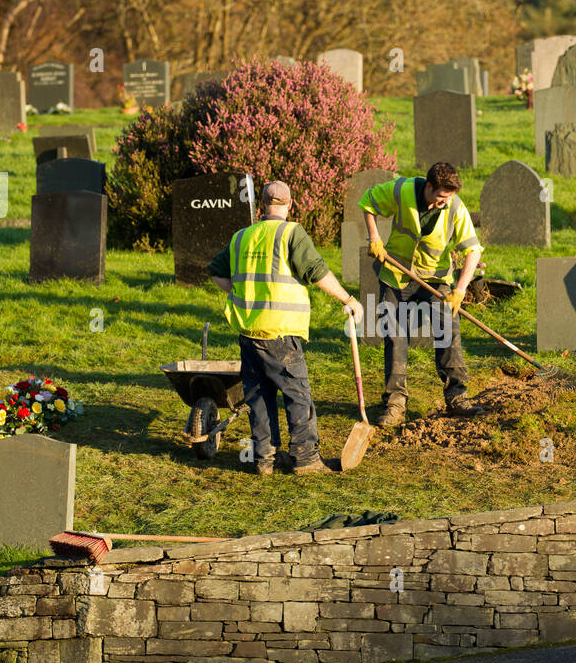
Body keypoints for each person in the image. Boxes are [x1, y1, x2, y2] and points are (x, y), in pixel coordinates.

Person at [208, 181, 363, 475]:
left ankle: (263, 460)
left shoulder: (242, 236)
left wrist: (236, 292)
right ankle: (305, 459)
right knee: (297, 394)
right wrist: (348, 299)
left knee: (259, 396)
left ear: (260, 207)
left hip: (249, 333)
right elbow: (317, 271)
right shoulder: (291, 232)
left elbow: (215, 271)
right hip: (280, 333)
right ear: (290, 205)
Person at [360, 162, 485, 426]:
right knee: (395, 337)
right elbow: (368, 202)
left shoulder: (454, 207)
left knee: (447, 331)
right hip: (396, 276)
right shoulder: (401, 190)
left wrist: (460, 290)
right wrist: (374, 237)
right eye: (441, 196)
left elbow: (473, 250)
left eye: (448, 197)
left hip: (436, 280)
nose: (444, 202)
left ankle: (456, 396)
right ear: (428, 186)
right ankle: (395, 403)